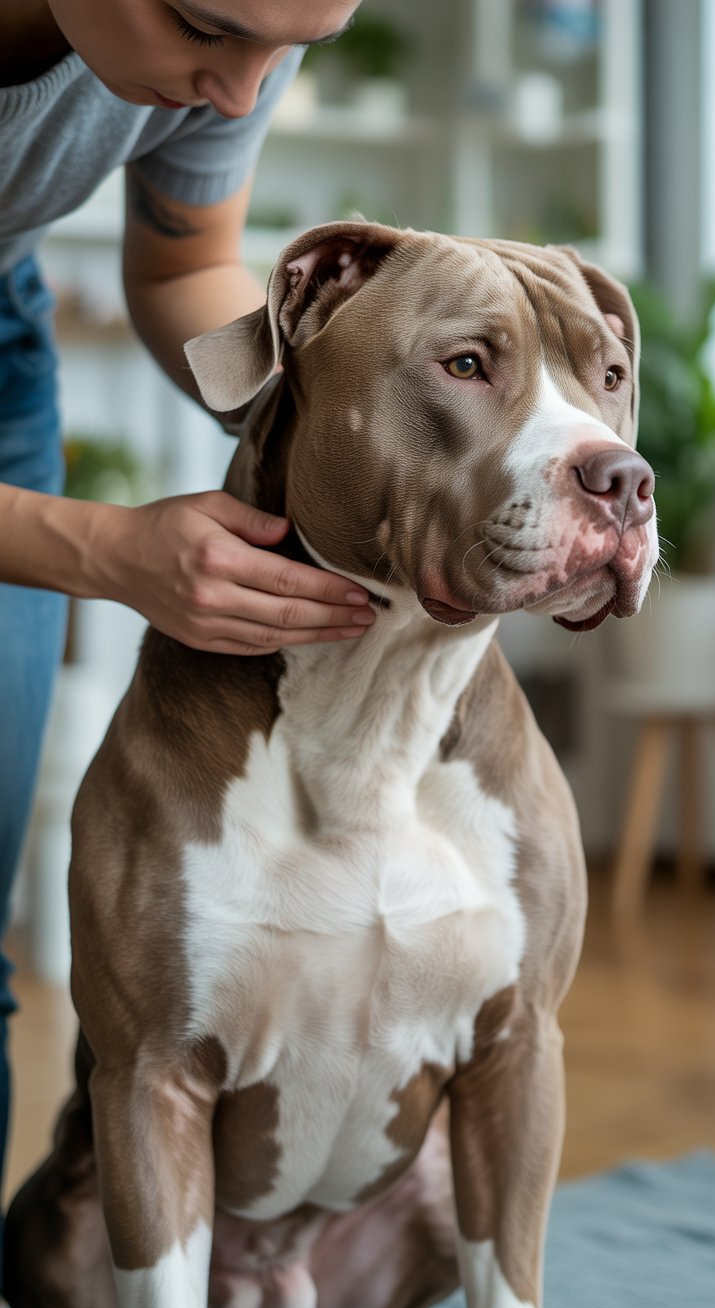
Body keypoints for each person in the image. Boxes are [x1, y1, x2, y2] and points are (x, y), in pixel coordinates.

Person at [0, 0, 372, 1240]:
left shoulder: (240, 42)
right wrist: (107, 548)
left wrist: (330, 414)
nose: (238, 92)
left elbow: (179, 265)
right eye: (207, 26)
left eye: (291, 51)